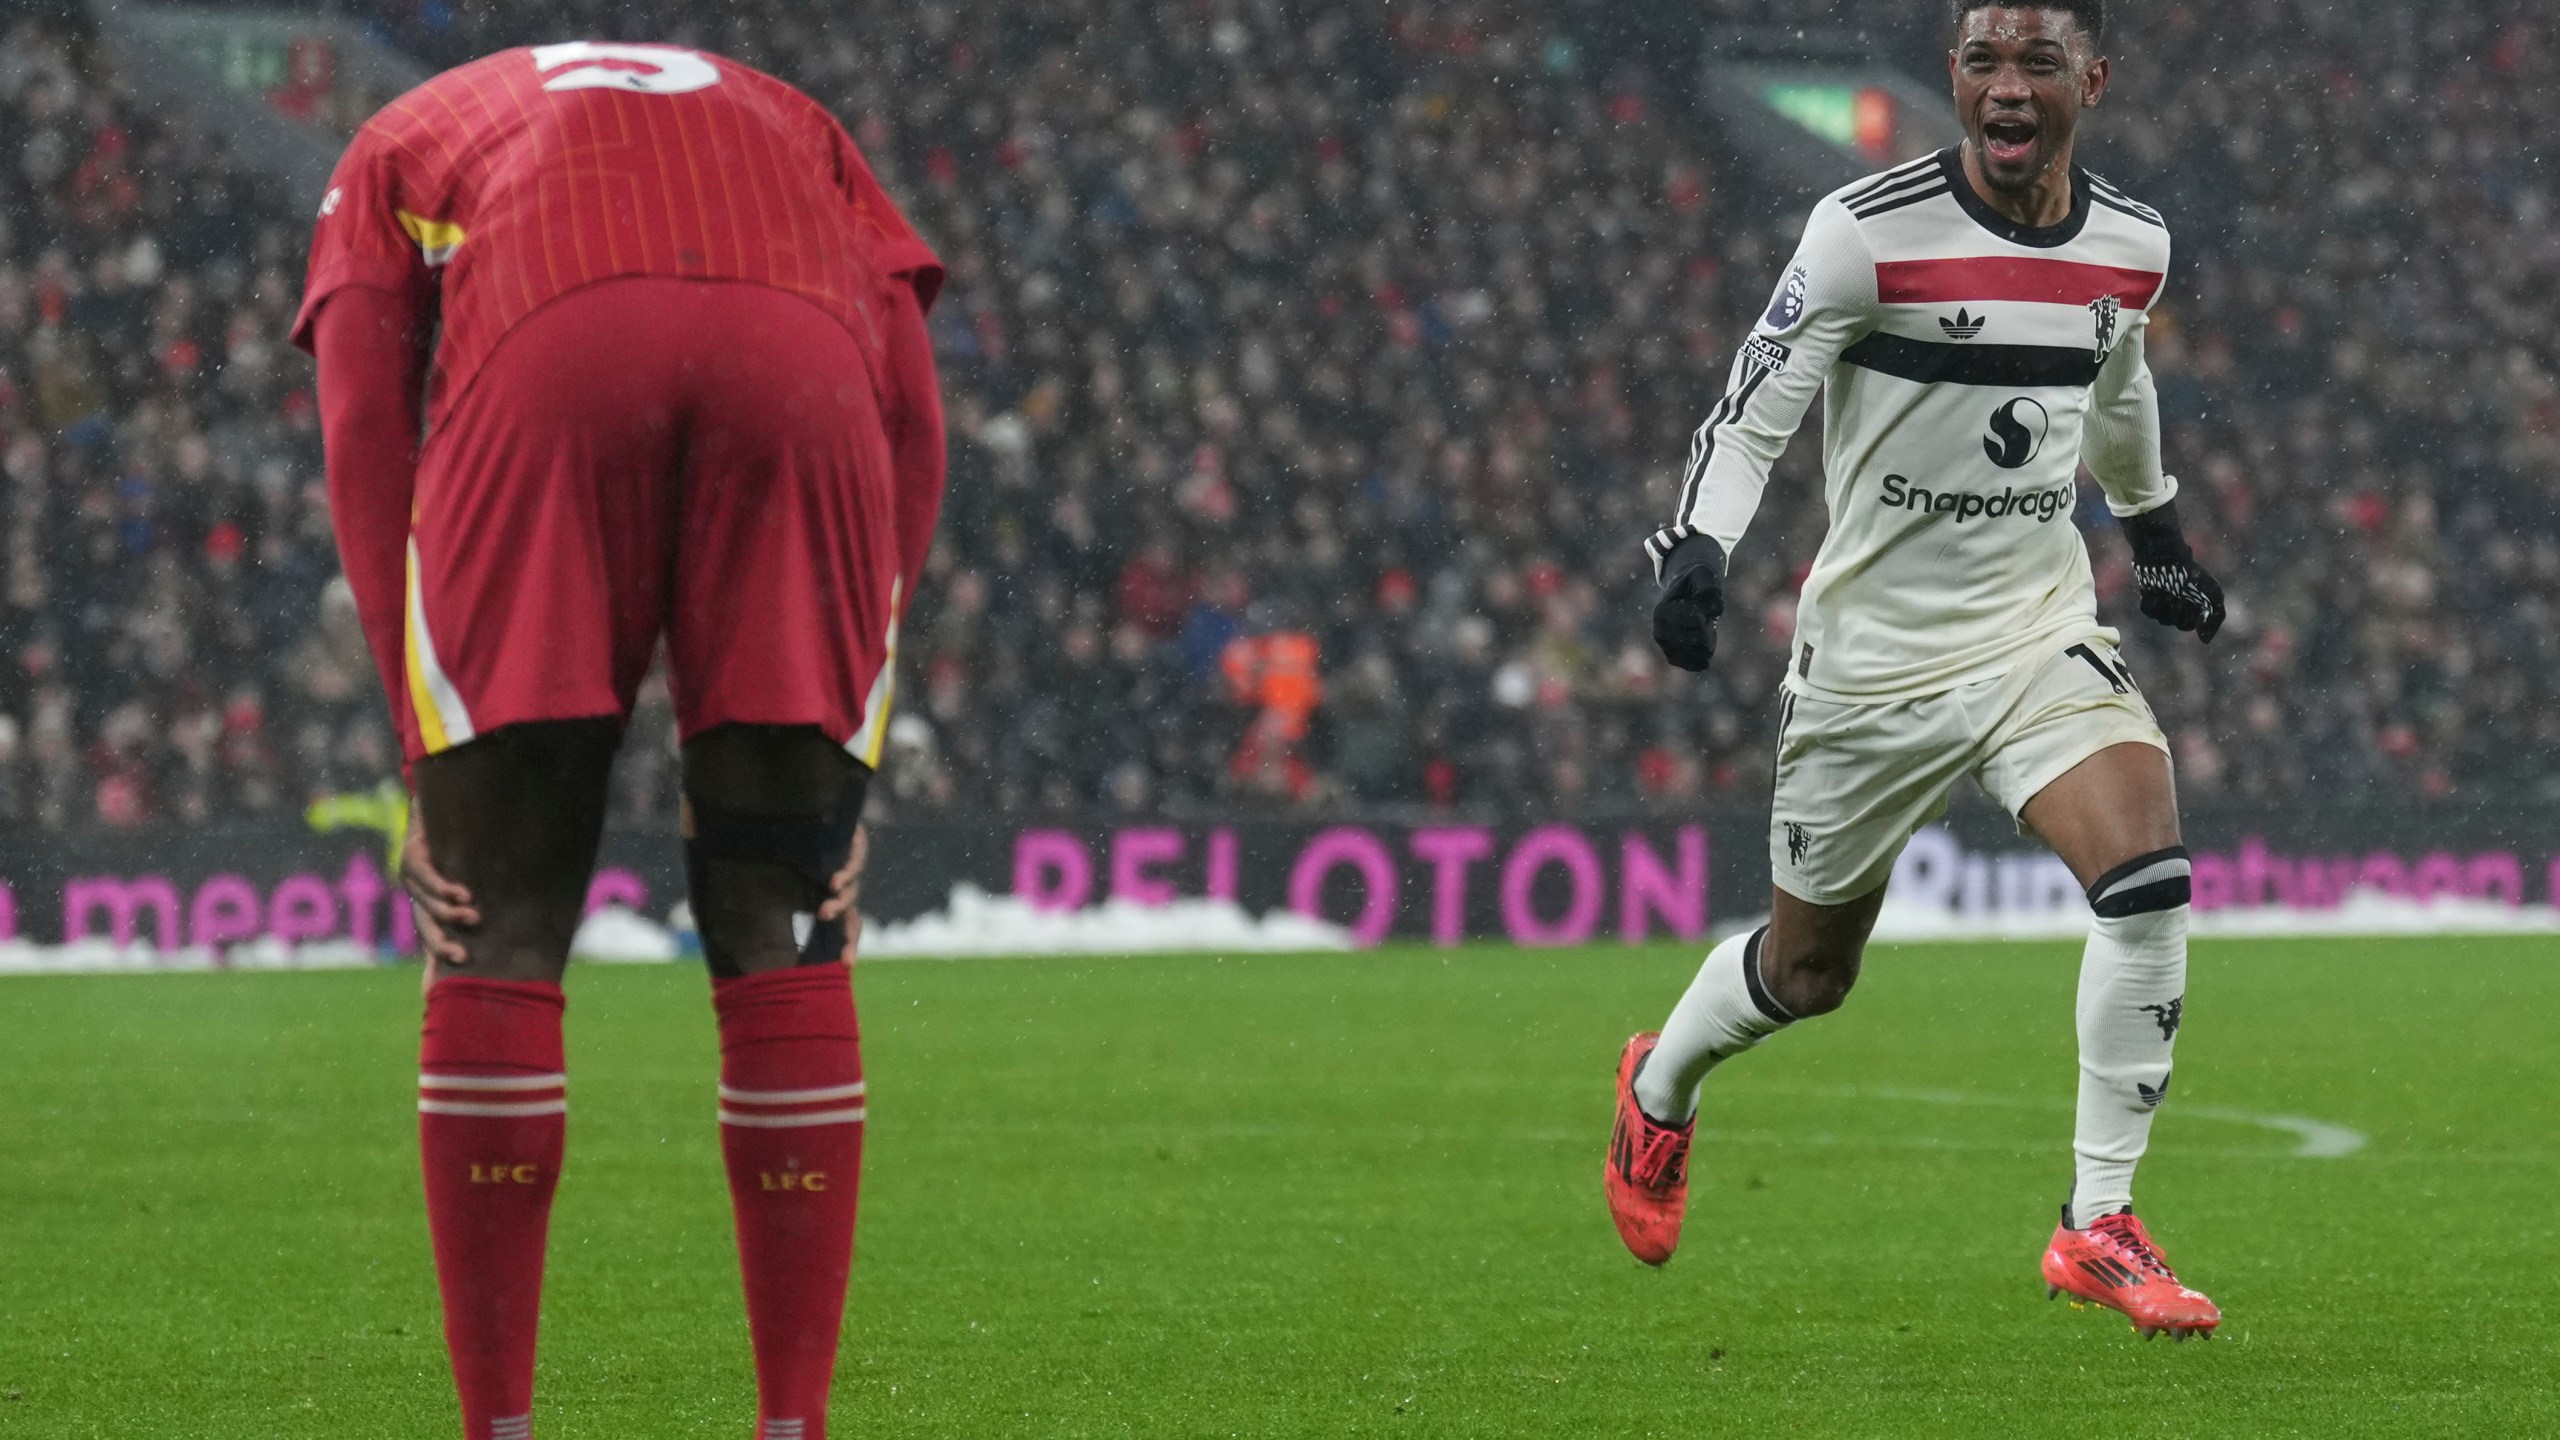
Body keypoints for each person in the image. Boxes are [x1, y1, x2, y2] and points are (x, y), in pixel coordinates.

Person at [290, 40, 945, 1438]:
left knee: (499, 916)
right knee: (785, 913)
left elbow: (362, 426)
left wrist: (427, 739)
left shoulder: (400, 141)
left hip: (551, 340)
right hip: (805, 357)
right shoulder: (798, 115)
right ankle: (793, 1423)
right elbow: (913, 413)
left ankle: (501, 1427)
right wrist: (850, 737)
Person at [1606, 1, 2226, 1340]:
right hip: (1872, 663)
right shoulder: (1863, 231)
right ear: (1955, 76)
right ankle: (1659, 1090)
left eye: (2038, 63)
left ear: (2091, 81)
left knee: (2149, 871)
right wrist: (1698, 552)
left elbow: (2114, 387)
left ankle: (2096, 1224)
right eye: (1984, 63)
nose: (2008, 89)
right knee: (1807, 973)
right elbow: (1757, 399)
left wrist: (2155, 528)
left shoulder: (2130, 246)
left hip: (2031, 627)